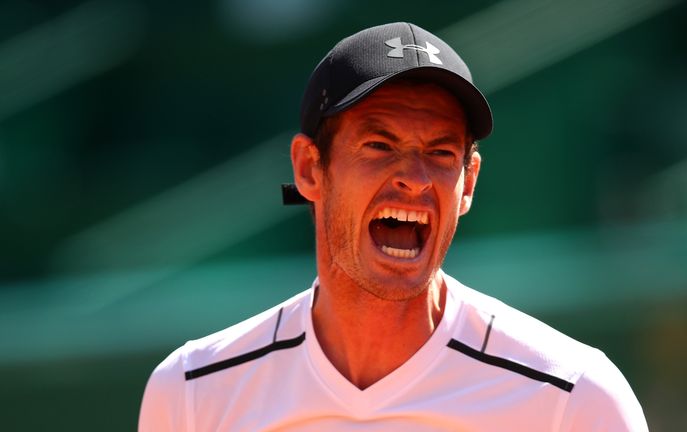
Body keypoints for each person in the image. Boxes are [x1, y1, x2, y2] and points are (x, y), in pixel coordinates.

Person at [138, 22, 648, 431]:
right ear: (310, 169)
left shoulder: (573, 399)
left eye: (441, 153)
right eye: (380, 146)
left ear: (467, 183)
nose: (414, 179)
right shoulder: (192, 394)